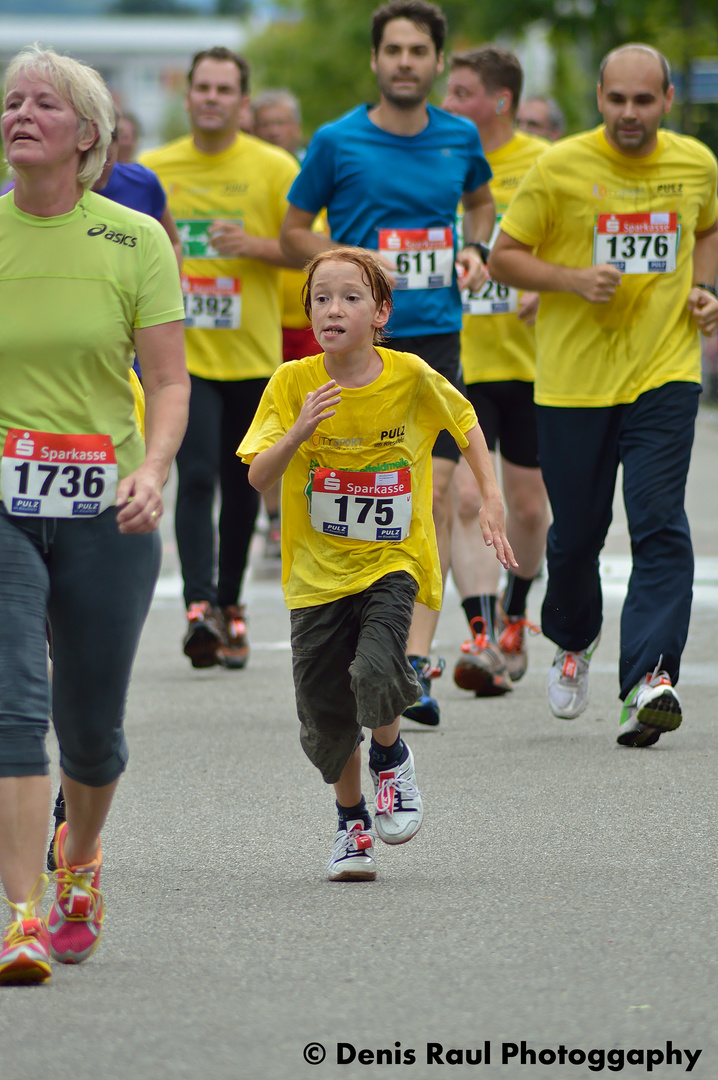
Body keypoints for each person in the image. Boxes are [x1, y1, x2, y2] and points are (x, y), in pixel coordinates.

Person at [0, 45, 189, 985]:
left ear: (87, 136)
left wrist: (153, 469)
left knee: (90, 726)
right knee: (12, 709)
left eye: (43, 104)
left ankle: (80, 862)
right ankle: (22, 918)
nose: (20, 115)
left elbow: (167, 381)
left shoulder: (134, 239)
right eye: (11, 103)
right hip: (2, 502)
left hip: (107, 503)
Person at [238, 249, 514, 880]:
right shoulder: (292, 383)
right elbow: (258, 476)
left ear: (381, 312)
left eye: (351, 297)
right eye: (321, 299)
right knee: (325, 713)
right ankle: (351, 823)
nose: (333, 309)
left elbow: (465, 422)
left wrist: (491, 498)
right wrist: (297, 433)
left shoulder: (411, 375)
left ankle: (388, 756)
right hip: (315, 575)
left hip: (393, 559)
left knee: (375, 667)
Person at [489, 43, 718, 746]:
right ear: (598, 96)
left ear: (667, 100)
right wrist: (571, 280)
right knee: (579, 534)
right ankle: (572, 638)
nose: (628, 113)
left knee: (657, 522)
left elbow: (706, 228)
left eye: (643, 101)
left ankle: (651, 678)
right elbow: (503, 255)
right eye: (616, 99)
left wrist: (707, 290)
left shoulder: (696, 163)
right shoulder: (559, 168)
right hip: (572, 382)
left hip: (664, 372)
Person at [280, 0, 495, 726]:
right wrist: (353, 267)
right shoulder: (337, 141)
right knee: (376, 505)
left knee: (429, 501)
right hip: (356, 351)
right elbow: (290, 234)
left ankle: (414, 663)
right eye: (393, 50)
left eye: (418, 51)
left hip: (432, 340)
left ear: (438, 62)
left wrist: (475, 248)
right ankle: (369, 638)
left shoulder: (460, 137)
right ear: (375, 61)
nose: (405, 61)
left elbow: (481, 202)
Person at [141, 47, 299, 670]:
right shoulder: (155, 169)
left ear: (242, 102)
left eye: (223, 89)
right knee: (197, 474)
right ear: (188, 99)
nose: (210, 97)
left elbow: (308, 246)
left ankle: (230, 606)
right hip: (185, 356)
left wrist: (256, 246)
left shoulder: (273, 166)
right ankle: (198, 607)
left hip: (253, 353)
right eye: (200, 87)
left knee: (241, 485)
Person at [442, 46, 551, 696]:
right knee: (464, 497)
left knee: (530, 511)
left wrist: (549, 288)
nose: (448, 105)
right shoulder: (439, 160)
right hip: (464, 359)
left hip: (534, 365)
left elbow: (580, 248)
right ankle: (481, 635)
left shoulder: (544, 163)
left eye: (460, 93)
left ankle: (515, 614)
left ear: (500, 100)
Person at [253, 89, 319, 558]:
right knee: (272, 428)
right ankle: (276, 519)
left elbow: (318, 247)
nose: (274, 131)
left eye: (282, 122)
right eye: (266, 123)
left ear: (296, 128)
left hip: (312, 325)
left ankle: (316, 505)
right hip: (263, 326)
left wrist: (250, 246)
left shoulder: (313, 180)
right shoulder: (252, 174)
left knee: (315, 424)